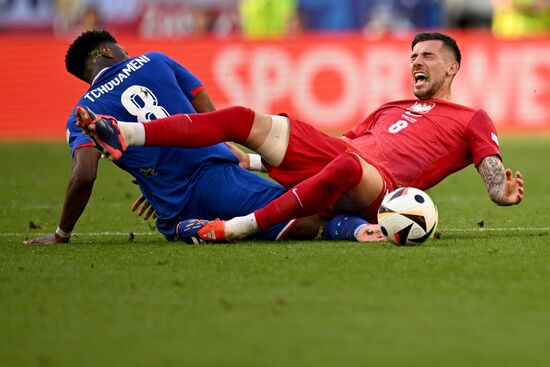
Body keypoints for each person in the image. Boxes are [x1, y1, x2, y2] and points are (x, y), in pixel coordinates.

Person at [76, 32, 525, 243]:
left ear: (453, 67)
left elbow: (490, 171)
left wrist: (499, 190)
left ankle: (234, 229)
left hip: (380, 188)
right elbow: (339, 143)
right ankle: (128, 133)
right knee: (243, 118)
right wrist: (246, 160)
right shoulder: (388, 108)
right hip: (340, 160)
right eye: (412, 56)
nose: (416, 63)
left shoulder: (471, 117)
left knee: (348, 166)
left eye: (427, 56)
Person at [25, 30, 365, 245]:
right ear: (107, 53)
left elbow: (84, 175)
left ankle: (185, 228)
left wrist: (62, 234)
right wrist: (224, 144)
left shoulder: (82, 112)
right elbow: (202, 101)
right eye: (121, 49)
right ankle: (359, 229)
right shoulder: (154, 61)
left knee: (285, 199)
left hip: (171, 206)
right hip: (215, 176)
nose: (128, 53)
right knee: (310, 213)